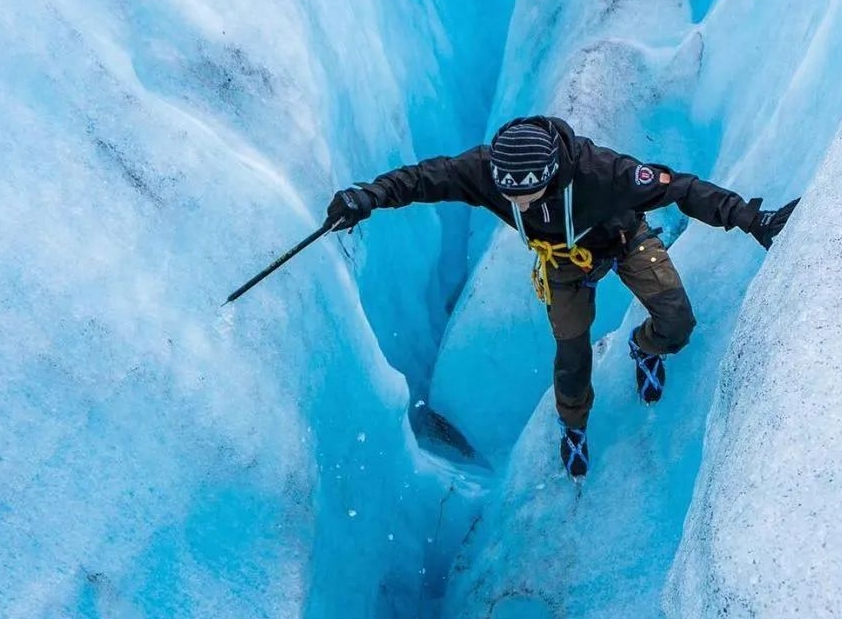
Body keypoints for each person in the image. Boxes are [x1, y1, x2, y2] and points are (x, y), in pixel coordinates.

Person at [327, 115, 798, 477]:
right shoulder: (489, 170)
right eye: (512, 195)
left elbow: (682, 189)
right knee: (571, 357)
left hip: (624, 240)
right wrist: (366, 197)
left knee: (677, 322)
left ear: (552, 173)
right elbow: (424, 178)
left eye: (530, 193)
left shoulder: (605, 172)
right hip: (563, 264)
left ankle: (646, 345)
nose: (520, 204)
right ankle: (573, 424)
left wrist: (753, 219)